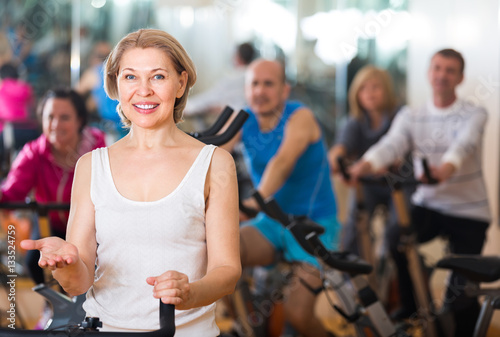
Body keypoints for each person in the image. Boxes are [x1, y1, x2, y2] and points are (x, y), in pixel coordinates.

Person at [21, 28, 241, 336]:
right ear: (115, 85)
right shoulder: (91, 166)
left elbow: (227, 271)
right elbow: (79, 282)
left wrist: (190, 292)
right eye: (130, 77)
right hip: (104, 329)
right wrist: (65, 264)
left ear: (181, 82)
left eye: (158, 77)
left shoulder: (215, 163)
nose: (143, 90)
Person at [349, 49, 490, 337]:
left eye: (450, 70)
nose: (442, 75)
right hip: (429, 205)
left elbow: (463, 146)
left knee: (461, 297)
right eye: (437, 68)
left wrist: (445, 170)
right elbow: (391, 145)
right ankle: (411, 306)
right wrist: (364, 166)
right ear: (428, 73)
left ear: (460, 78)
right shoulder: (411, 115)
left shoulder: (475, 113)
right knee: (394, 238)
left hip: (469, 210)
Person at [224, 59, 340, 337]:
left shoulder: (301, 117)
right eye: (254, 84)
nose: (260, 91)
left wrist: (255, 200)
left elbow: (283, 161)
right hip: (271, 224)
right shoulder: (244, 119)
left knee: (298, 316)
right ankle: (252, 325)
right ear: (246, 88)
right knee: (220, 257)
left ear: (285, 90)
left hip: (313, 228)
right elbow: (214, 153)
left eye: (268, 84)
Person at [0, 87, 106, 285]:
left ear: (79, 121)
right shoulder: (33, 153)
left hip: (91, 228)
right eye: (50, 117)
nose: (55, 124)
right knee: (34, 262)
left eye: (65, 117)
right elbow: (12, 193)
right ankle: (54, 307)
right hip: (50, 225)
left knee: (92, 265)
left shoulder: (98, 150)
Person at [328, 65, 403, 256]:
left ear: (387, 90)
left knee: (399, 230)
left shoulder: (401, 116)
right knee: (354, 227)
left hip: (399, 185)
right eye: (363, 88)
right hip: (368, 185)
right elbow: (340, 148)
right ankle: (354, 281)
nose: (369, 93)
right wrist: (334, 163)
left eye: (375, 87)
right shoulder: (354, 122)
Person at [183, 42, 256, 117]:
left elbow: (209, 98)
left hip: (233, 119)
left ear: (238, 57)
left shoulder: (233, 78)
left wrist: (185, 106)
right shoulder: (253, 76)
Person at [77, 41, 126, 141]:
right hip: (126, 129)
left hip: (108, 130)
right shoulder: (122, 71)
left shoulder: (94, 73)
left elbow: (72, 97)